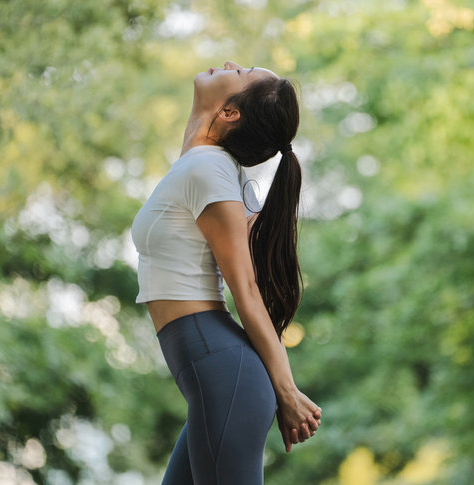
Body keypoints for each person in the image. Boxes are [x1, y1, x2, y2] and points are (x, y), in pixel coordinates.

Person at [131, 61, 322, 484]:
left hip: (223, 371)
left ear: (230, 113)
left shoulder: (209, 170)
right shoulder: (201, 166)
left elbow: (246, 290)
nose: (231, 64)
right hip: (214, 373)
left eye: (243, 72)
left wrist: (285, 389)